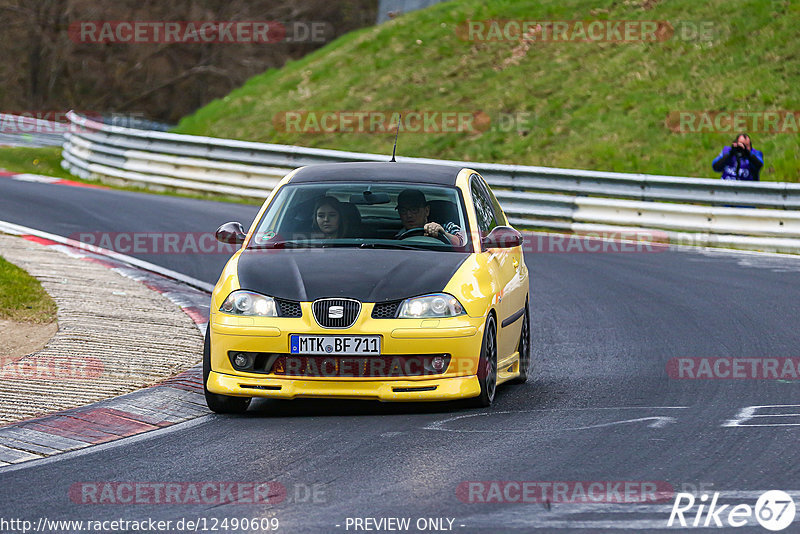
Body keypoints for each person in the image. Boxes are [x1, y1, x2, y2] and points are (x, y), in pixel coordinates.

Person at [395, 189, 464, 246]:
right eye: (403, 210)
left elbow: (462, 243)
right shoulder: (399, 234)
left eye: (414, 210)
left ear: (426, 211)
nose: (409, 215)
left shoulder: (447, 226)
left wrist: (443, 234)